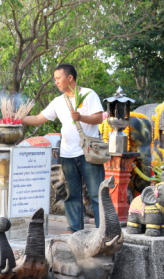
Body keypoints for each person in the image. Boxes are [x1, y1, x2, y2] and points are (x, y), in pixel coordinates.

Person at [22, 63, 105, 232]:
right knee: (71, 193)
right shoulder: (58, 101)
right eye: (55, 79)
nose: (56, 82)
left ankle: (103, 228)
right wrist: (18, 118)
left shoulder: (89, 94)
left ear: (70, 78)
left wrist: (81, 117)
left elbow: (98, 118)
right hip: (67, 154)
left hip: (88, 152)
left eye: (58, 78)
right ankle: (75, 228)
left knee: (96, 193)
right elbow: (39, 118)